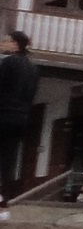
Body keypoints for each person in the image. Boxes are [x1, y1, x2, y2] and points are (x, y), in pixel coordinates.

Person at [0, 31, 37, 211]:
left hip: (3, 114)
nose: (2, 43)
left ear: (15, 44)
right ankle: (3, 202)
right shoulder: (33, 69)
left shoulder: (7, 64)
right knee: (9, 160)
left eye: (6, 40)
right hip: (21, 117)